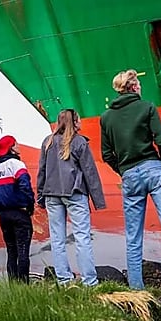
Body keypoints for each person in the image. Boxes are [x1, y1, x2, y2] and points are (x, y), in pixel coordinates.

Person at [100, 69, 161, 299]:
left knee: (133, 236)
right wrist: (160, 163)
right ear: (132, 87)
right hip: (154, 169)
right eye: (138, 84)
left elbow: (106, 154)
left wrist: (123, 170)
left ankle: (136, 290)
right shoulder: (147, 107)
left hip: (129, 175)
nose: (141, 87)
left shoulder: (106, 118)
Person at [37, 109, 106, 286]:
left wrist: (40, 197)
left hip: (51, 194)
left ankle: (64, 280)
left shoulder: (48, 142)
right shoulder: (79, 142)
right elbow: (90, 172)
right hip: (74, 193)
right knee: (82, 237)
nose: (81, 122)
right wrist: (98, 200)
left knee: (57, 239)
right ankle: (89, 281)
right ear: (74, 122)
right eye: (79, 120)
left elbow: (42, 171)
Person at [0, 135, 36, 283]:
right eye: (16, 144)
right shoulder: (16, 165)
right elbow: (25, 185)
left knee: (11, 251)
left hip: (3, 216)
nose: (19, 146)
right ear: (12, 148)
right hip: (19, 213)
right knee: (23, 251)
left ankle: (13, 286)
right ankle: (24, 286)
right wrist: (29, 205)